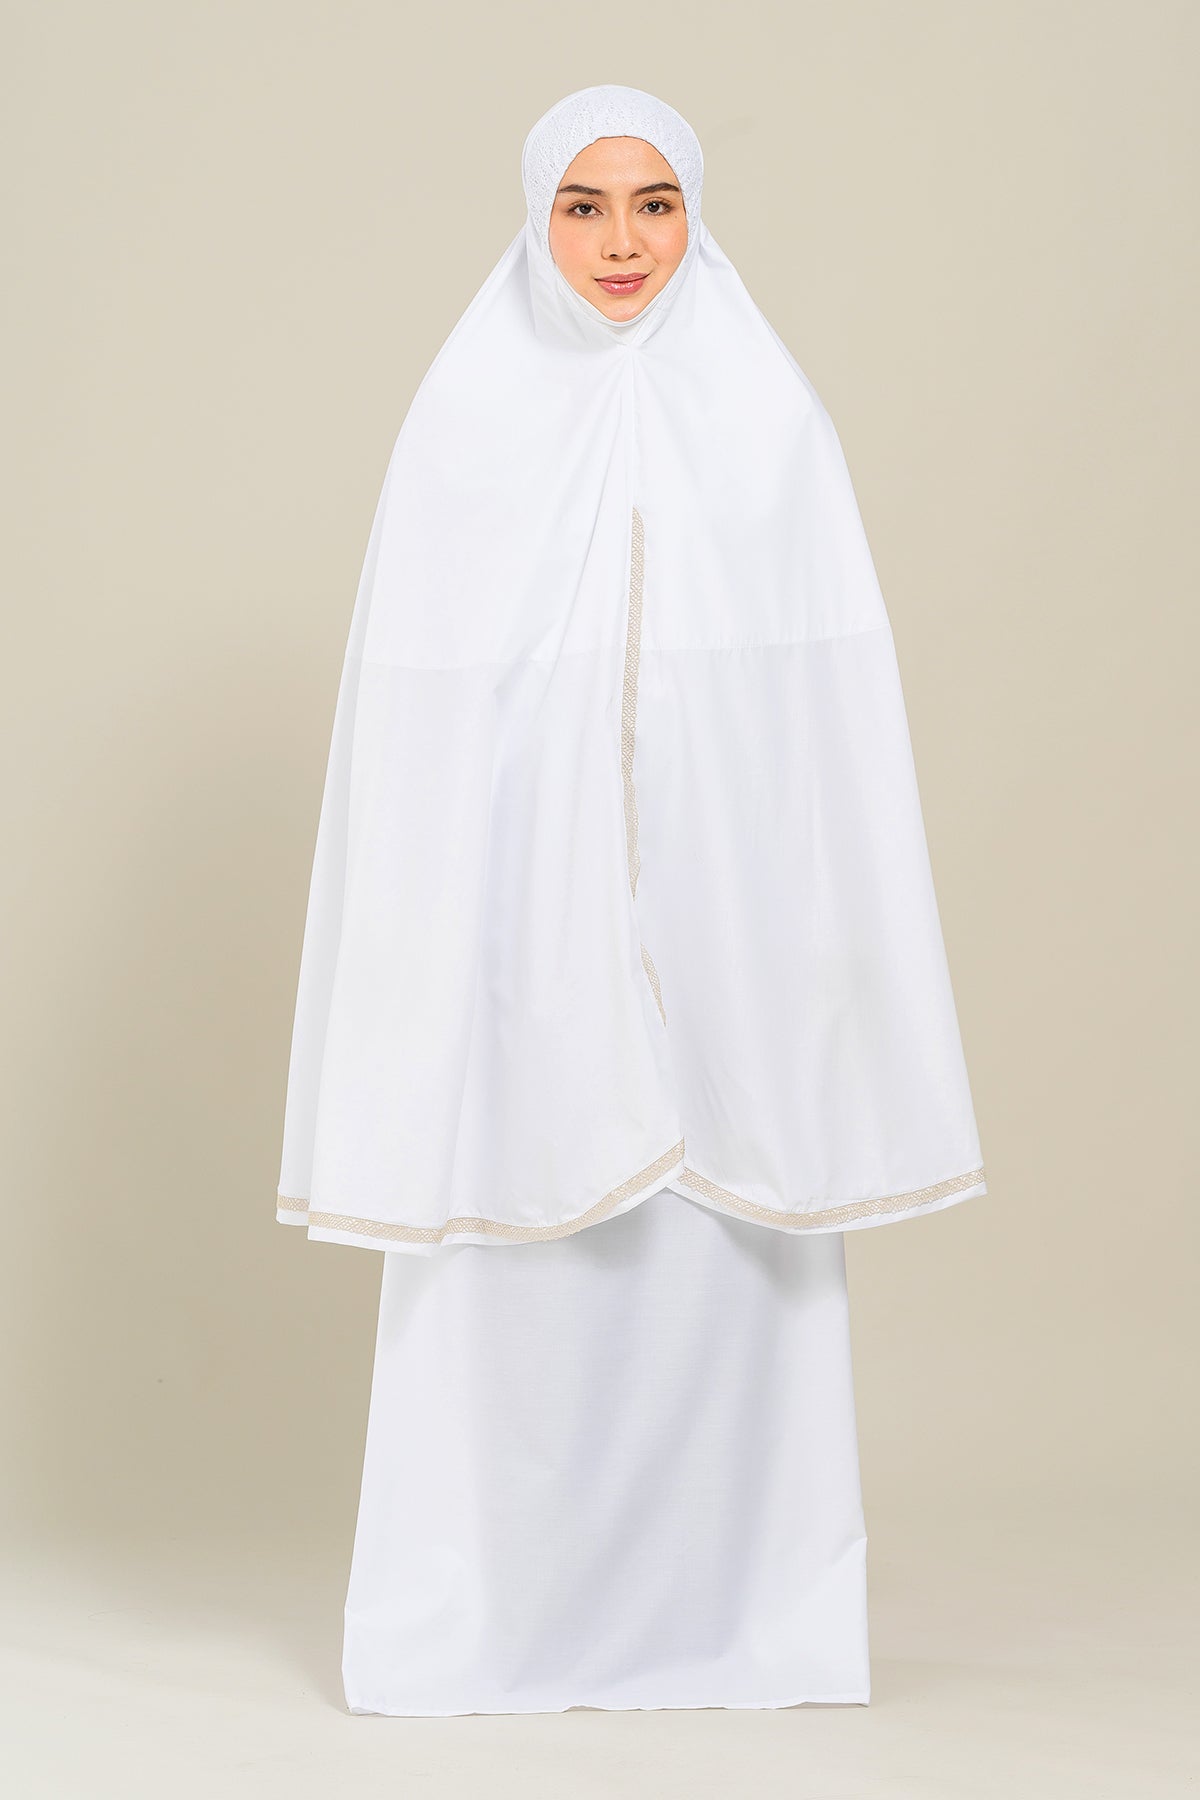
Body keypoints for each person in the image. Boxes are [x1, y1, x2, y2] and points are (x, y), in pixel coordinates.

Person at [275, 84, 987, 1716]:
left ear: (695, 217)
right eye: (584, 206)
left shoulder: (775, 424)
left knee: (733, 1252)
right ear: (536, 217)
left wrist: (778, 917)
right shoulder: (461, 427)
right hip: (519, 926)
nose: (621, 242)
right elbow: (421, 721)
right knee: (509, 1254)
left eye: (654, 204)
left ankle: (746, 1625)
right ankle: (486, 1633)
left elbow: (824, 716)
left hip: (732, 920)